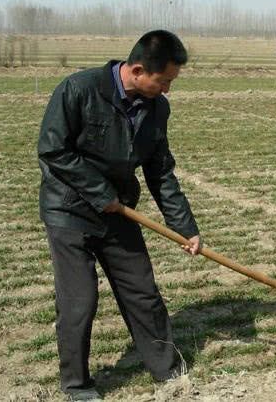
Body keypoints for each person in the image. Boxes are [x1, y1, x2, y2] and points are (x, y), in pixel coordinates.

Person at [37, 30, 202, 401]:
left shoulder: (157, 108)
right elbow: (53, 151)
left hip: (119, 211)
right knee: (80, 300)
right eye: (164, 82)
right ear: (139, 70)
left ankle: (167, 369)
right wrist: (99, 193)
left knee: (142, 290)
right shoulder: (79, 89)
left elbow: (160, 171)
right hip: (69, 209)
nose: (168, 90)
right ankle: (77, 385)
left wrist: (185, 228)